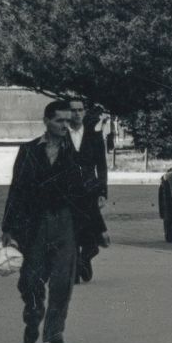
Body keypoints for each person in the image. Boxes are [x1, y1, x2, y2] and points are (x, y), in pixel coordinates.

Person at [2, 100, 94, 343]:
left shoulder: (74, 152)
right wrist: (8, 227)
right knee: (30, 280)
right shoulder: (29, 150)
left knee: (63, 281)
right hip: (35, 224)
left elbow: (85, 195)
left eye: (68, 120)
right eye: (60, 120)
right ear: (46, 121)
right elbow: (16, 190)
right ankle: (33, 314)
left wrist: (99, 229)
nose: (66, 125)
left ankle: (55, 335)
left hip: (65, 223)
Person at [67, 96, 108, 284]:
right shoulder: (60, 134)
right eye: (73, 110)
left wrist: (102, 192)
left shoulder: (94, 136)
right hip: (66, 191)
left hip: (90, 191)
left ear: (84, 112)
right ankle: (75, 268)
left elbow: (102, 166)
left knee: (91, 237)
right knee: (72, 231)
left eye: (80, 110)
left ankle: (86, 258)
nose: (76, 113)